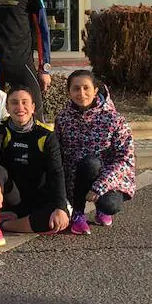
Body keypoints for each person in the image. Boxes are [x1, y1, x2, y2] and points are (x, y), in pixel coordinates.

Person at [0, 87, 70, 248]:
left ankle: (4, 224)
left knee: (56, 221)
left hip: (40, 197)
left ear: (33, 107)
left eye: (25, 103)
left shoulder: (46, 135)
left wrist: (61, 207)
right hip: (13, 196)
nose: (20, 107)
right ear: (7, 108)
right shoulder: (1, 129)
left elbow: (57, 172)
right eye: (14, 103)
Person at [55, 70, 136, 235]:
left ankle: (102, 209)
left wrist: (101, 186)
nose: (81, 93)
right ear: (69, 92)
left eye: (86, 88)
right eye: (76, 89)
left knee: (110, 204)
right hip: (74, 178)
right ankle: (78, 213)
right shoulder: (62, 118)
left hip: (105, 176)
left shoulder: (115, 120)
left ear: (95, 90)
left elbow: (125, 160)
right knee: (87, 164)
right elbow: (57, 154)